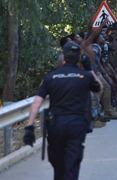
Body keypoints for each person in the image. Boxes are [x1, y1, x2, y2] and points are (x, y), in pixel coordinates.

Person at [23, 41, 101, 180]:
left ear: (63, 57)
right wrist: (89, 68)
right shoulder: (85, 76)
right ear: (78, 58)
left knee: (58, 165)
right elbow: (98, 88)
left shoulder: (50, 77)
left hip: (56, 125)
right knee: (72, 164)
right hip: (77, 125)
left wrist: (29, 127)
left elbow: (36, 102)